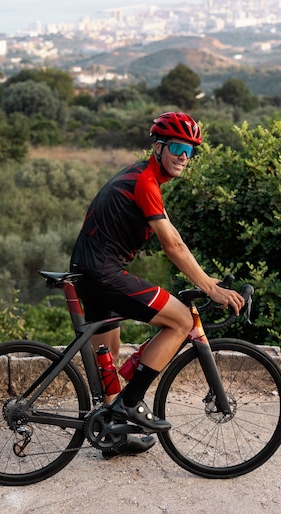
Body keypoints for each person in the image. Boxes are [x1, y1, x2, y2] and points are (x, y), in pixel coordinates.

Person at [70, 111, 244, 458]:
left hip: (88, 269)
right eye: (178, 146)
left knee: (109, 354)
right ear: (160, 147)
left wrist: (205, 279)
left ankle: (112, 433)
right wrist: (210, 288)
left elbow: (173, 243)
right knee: (180, 320)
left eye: (191, 150)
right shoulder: (146, 182)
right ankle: (132, 404)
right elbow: (172, 244)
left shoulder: (142, 175)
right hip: (103, 272)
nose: (184, 156)